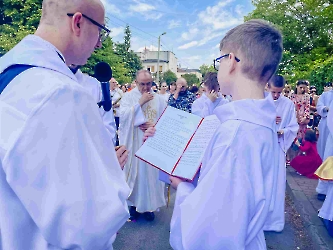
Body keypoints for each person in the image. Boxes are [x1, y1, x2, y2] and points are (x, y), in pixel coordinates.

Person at [0, 0, 130, 249]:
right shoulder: (61, 93)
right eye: (100, 31)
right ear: (78, 22)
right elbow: (87, 228)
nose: (100, 43)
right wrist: (106, 169)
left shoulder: (9, 72)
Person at [145, 19, 283, 249]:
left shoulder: (235, 134)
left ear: (231, 61)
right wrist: (163, 142)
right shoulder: (258, 118)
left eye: (219, 60)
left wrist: (182, 185)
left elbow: (213, 227)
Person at [119, 70, 166, 221]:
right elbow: (123, 116)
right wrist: (140, 103)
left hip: (152, 142)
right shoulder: (128, 97)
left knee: (150, 177)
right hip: (134, 143)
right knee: (136, 175)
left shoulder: (159, 99)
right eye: (142, 84)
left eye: (149, 84)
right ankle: (133, 206)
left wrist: (155, 125)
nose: (146, 88)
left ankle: (148, 208)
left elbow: (166, 120)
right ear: (136, 82)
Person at [263, 75, 298, 232]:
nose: (276, 95)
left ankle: (273, 221)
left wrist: (283, 131)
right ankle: (258, 218)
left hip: (278, 147)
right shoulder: (261, 100)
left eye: (279, 92)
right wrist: (268, 120)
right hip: (262, 147)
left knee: (275, 183)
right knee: (261, 181)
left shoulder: (288, 104)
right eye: (273, 92)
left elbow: (293, 126)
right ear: (267, 86)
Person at [315, 85, 333, 200]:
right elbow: (319, 106)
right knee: (325, 155)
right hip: (326, 125)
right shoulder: (326, 95)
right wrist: (326, 109)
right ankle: (322, 189)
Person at [288, 80, 310, 162]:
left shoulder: (306, 96)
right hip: (293, 119)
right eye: (300, 87)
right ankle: (290, 158)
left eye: (304, 88)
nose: (302, 89)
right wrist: (294, 118)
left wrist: (305, 117)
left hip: (302, 121)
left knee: (301, 139)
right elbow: (289, 108)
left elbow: (307, 107)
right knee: (292, 138)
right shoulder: (292, 96)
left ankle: (298, 158)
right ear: (296, 86)